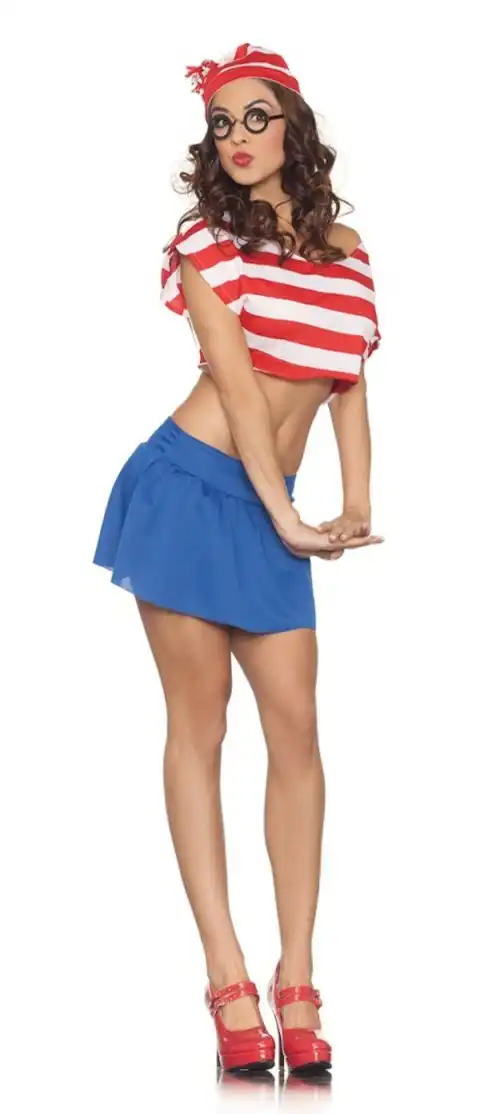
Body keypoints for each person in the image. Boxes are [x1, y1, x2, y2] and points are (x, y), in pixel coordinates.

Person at [93, 42, 384, 1074]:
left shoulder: (346, 249)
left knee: (296, 728)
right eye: (221, 123)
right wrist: (285, 515)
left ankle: (297, 972)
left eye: (255, 116)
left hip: (274, 506)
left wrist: (353, 500)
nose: (237, 137)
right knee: (202, 724)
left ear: (292, 126)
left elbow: (347, 381)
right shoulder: (206, 243)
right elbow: (242, 390)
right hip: (189, 488)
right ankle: (226, 978)